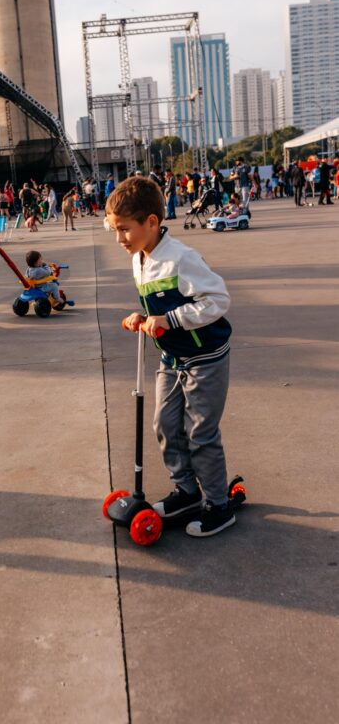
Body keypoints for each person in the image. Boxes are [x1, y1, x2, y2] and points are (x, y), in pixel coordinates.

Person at [106, 176, 234, 537]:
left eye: (124, 229)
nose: (119, 239)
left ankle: (219, 505)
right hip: (172, 357)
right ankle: (187, 491)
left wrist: (170, 319)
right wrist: (143, 317)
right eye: (114, 230)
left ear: (151, 222)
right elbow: (156, 307)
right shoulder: (139, 257)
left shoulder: (181, 258)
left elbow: (218, 300)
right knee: (164, 425)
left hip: (205, 357)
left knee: (200, 434)